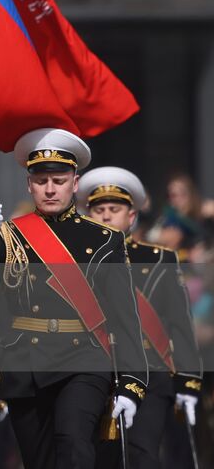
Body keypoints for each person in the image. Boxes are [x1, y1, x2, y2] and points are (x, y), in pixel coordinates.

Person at [0, 129, 148, 469]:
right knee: (39, 458)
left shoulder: (105, 239)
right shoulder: (9, 234)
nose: (50, 189)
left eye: (59, 180)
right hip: (26, 360)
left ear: (75, 183)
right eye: (42, 180)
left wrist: (131, 383)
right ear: (29, 184)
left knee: (73, 443)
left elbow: (124, 315)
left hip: (84, 359)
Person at [78, 166, 203, 469]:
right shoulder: (76, 262)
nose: (106, 216)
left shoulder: (160, 259)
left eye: (115, 208)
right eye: (99, 209)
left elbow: (179, 324)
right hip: (95, 370)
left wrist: (188, 381)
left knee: (141, 454)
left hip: (150, 370)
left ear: (131, 216)